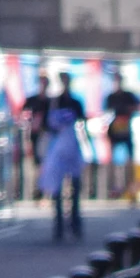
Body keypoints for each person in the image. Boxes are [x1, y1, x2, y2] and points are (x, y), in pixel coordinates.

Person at [40, 76, 87, 243]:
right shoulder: (53, 103)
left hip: (72, 149)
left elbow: (82, 125)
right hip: (57, 151)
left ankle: (75, 222)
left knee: (75, 187)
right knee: (57, 188)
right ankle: (59, 224)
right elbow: (45, 126)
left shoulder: (75, 102)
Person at [101, 68, 140, 200]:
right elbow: (106, 113)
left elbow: (137, 106)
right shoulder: (111, 97)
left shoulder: (128, 96)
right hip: (114, 130)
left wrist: (127, 111)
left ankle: (130, 188)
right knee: (112, 161)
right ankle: (113, 188)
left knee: (129, 160)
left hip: (126, 130)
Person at [17, 74, 52, 201]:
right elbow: (22, 114)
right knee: (35, 164)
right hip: (34, 136)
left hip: (47, 136)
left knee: (46, 164)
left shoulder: (51, 101)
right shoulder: (32, 100)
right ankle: (36, 191)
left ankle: (46, 191)